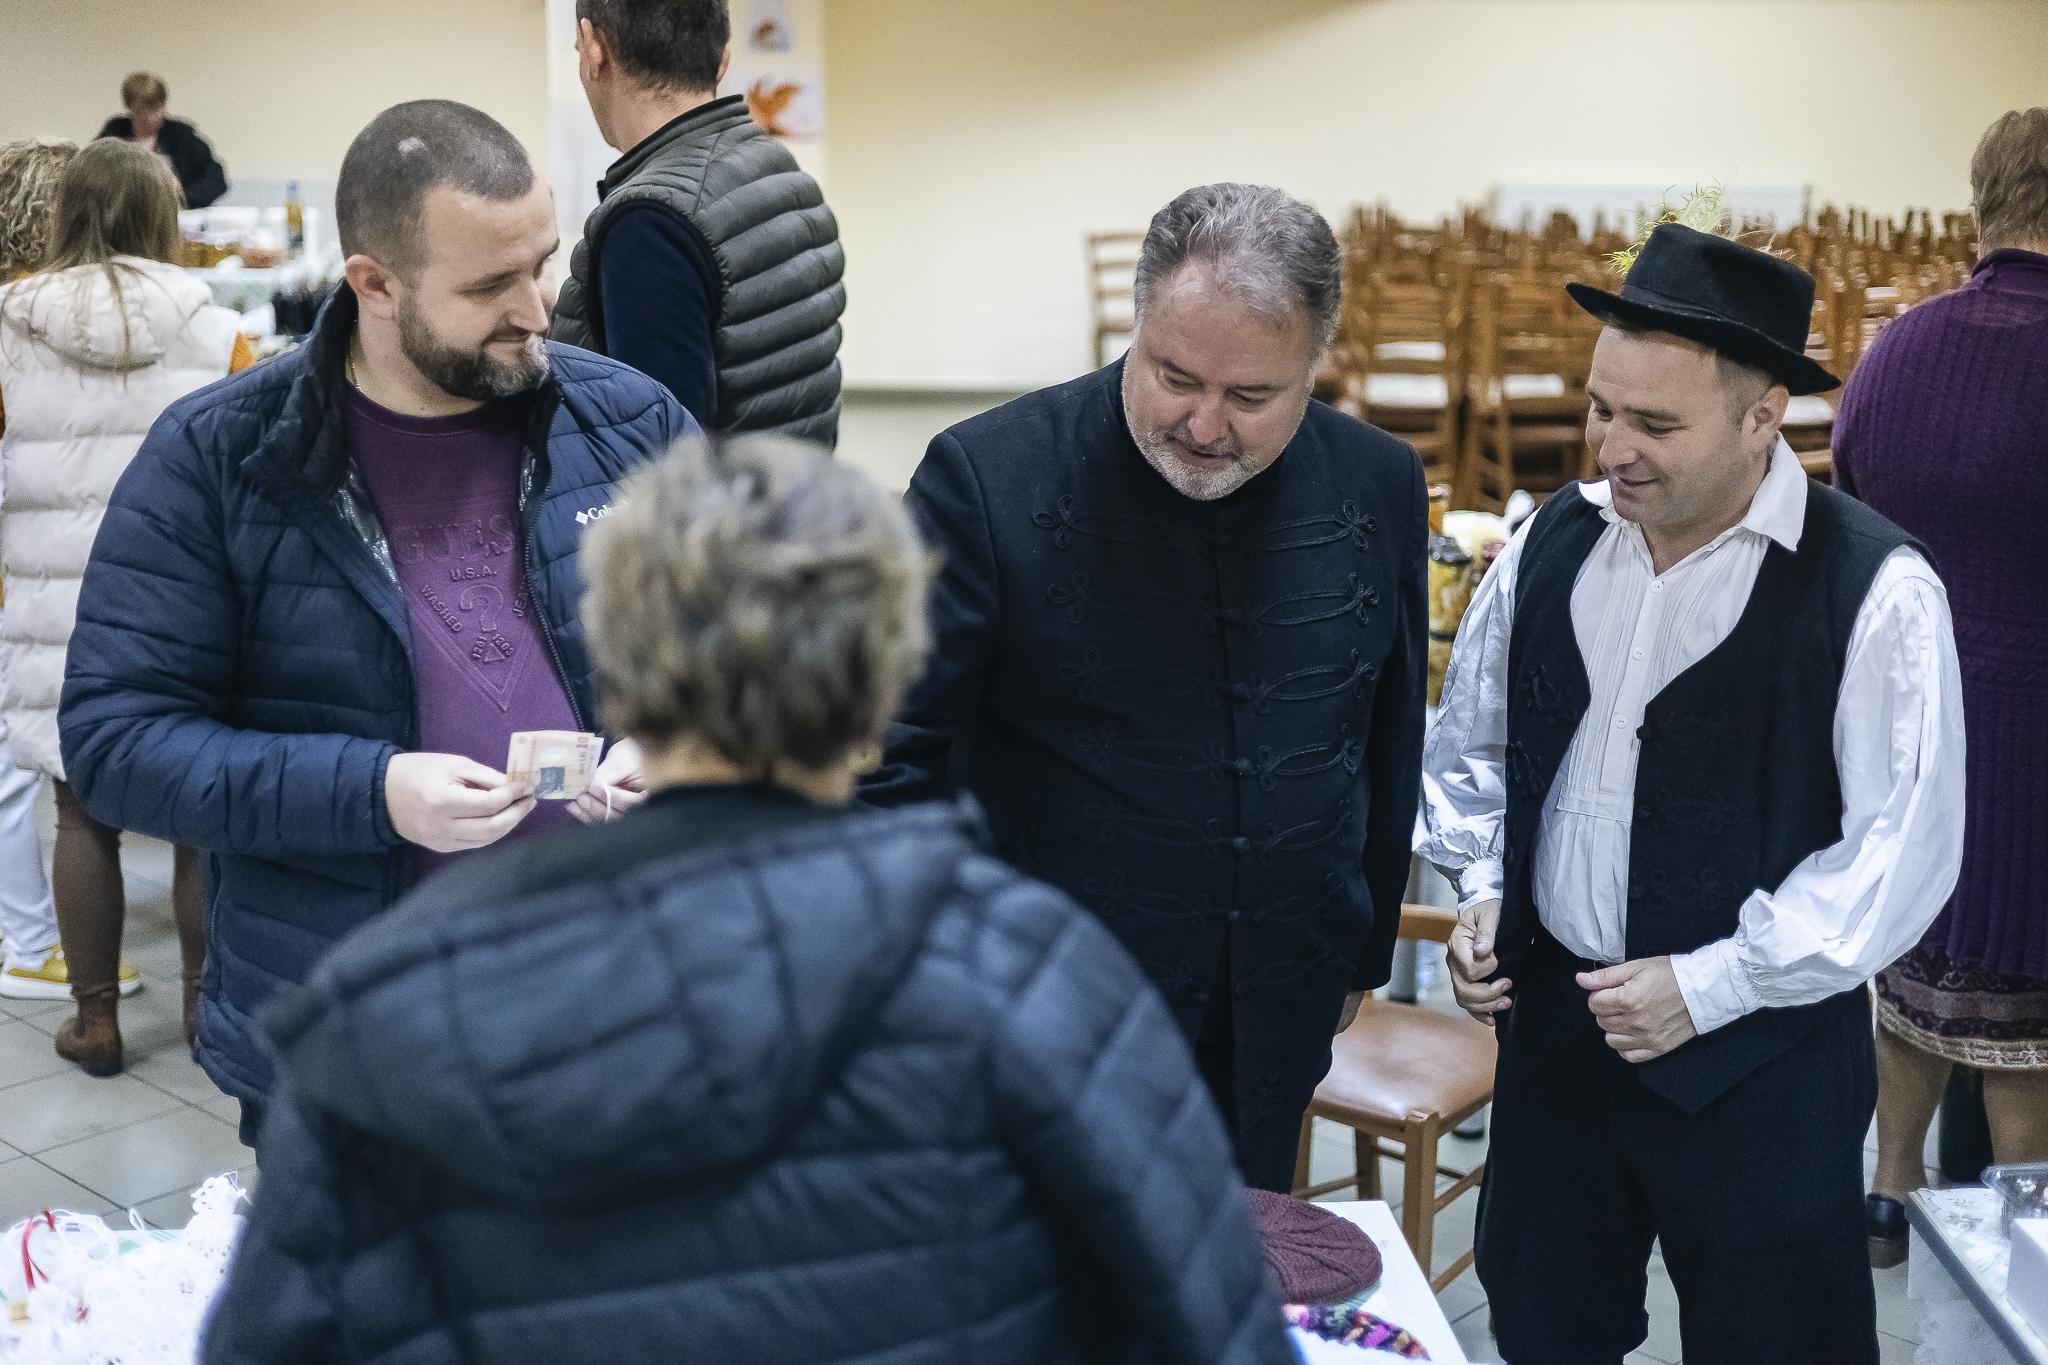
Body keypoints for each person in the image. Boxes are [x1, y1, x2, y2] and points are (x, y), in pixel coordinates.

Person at [198, 434, 1294, 1365]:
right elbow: (1213, 1329)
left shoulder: (385, 1008)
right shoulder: (1037, 977)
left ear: (617, 666)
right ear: (882, 692)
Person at [59, 101, 692, 1142]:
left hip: (613, 1012)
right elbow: (117, 747)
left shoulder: (629, 421)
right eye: (488, 286)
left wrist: (687, 748)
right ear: (375, 285)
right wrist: (372, 792)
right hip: (348, 1041)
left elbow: (749, 656)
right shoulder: (218, 459)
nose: (535, 311)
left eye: (542, 265)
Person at [1418, 222, 1966, 1365]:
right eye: (1599, 409)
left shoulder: (1872, 589)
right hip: (1556, 1052)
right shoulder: (1550, 541)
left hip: (1759, 1071)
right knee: (1544, 1330)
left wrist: (1712, 984)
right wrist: (1481, 892)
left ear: (1761, 418)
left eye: (1654, 425)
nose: (1610, 448)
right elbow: (1472, 749)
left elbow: (1894, 858)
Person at [861, 183, 1428, 1192]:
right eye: (1174, 377)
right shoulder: (987, 479)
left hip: (1276, 998)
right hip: (1039, 1005)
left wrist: (1361, 951)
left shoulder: (1377, 481)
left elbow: (1385, 733)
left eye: (1250, 397)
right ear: (1138, 325)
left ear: (1314, 370)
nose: (1203, 424)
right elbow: (889, 757)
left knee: (1233, 1256)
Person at [1835, 106, 2048, 1267]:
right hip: (2033, 722)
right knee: (2025, 979)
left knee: (1915, 952)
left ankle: (1886, 1190)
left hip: (1912, 713)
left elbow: (1850, 507)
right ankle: (2018, 1233)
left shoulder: (1897, 348)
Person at [0, 139, 249, 1070]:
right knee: (193, 819)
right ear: (164, 217)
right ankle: (201, 1011)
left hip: (54, 609)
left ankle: (96, 1021)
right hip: (188, 599)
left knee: (80, 812)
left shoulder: (8, 326)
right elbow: (251, 474)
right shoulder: (216, 328)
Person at [551, 0, 845, 442]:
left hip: (723, 489)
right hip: (792, 483)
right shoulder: (779, 168)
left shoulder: (650, 223)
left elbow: (662, 454)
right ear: (723, 58)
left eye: (578, 50)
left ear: (595, 49)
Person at [0, 137, 76, 1004]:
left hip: (25, 571)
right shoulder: (25, 319)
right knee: (16, 768)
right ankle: (27, 943)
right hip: (19, 576)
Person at [97, 72, 227, 210]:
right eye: (141, 111)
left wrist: (183, 199)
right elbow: (92, 175)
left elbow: (216, 179)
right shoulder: (113, 135)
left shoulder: (182, 136)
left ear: (164, 105)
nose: (149, 118)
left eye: (155, 109)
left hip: (175, 212)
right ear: (129, 108)